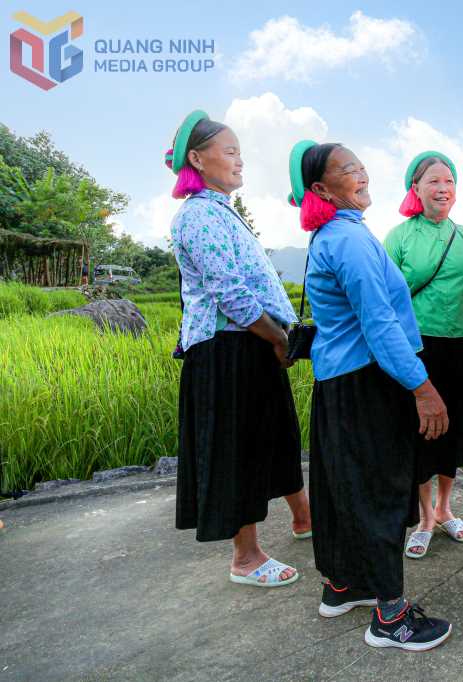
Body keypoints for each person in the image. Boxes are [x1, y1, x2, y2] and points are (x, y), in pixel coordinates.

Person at [289, 140, 453, 651]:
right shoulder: (351, 240)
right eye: (347, 170)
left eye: (361, 165)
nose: (361, 174)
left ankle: (343, 586)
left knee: (344, 488)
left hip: (339, 384)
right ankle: (391, 618)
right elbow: (379, 323)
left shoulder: (333, 235)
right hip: (364, 383)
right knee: (379, 493)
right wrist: (423, 388)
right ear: (321, 189)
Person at [168, 110, 310, 588]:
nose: (240, 161)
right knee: (237, 450)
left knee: (278, 436)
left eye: (239, 153)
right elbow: (230, 292)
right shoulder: (197, 214)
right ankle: (245, 558)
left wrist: (273, 337)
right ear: (197, 158)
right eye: (229, 152)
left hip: (252, 342)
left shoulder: (220, 208)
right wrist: (277, 338)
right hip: (228, 350)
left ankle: (304, 517)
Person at [384, 151, 463, 559]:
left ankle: (446, 508)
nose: (442, 188)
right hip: (418, 349)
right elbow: (386, 298)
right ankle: (425, 515)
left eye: (448, 181)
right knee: (421, 430)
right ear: (415, 189)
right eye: (433, 181)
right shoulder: (399, 237)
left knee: (455, 429)